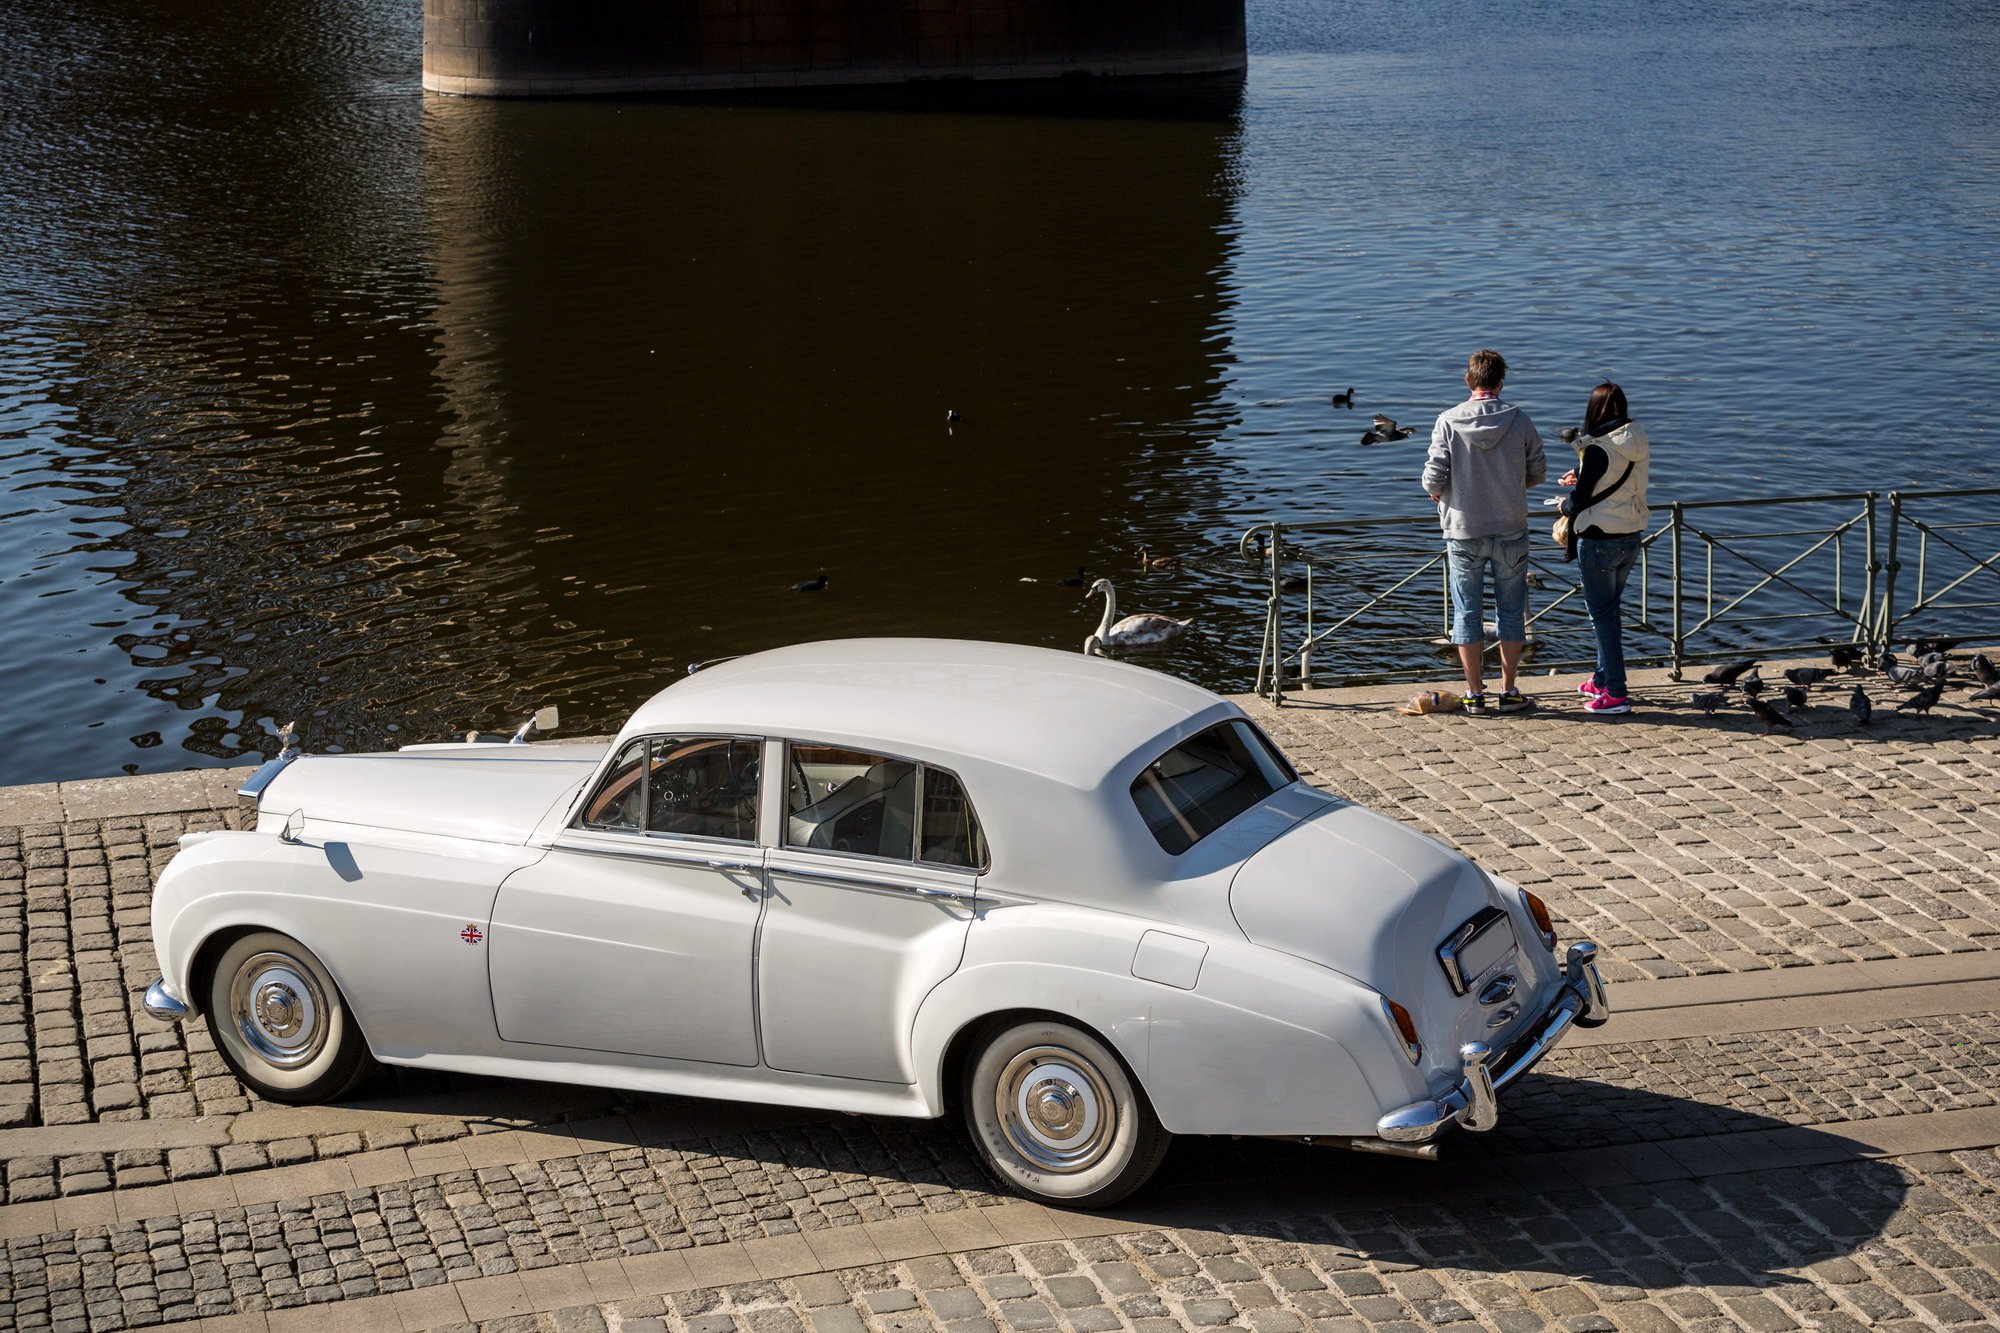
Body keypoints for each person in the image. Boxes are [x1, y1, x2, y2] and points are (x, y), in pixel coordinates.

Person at [1422, 349, 1546, 715]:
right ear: (1501, 381)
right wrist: (1511, 486)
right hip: (1510, 528)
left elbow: (1432, 475)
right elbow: (1538, 470)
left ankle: (1474, 694)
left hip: (1463, 530)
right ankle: (1509, 692)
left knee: (1466, 613)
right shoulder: (1520, 420)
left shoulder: (1447, 420)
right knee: (1511, 612)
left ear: (1468, 380)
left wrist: (1439, 493)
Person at [1559, 381, 1650, 715]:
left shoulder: (1597, 447)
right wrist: (1582, 473)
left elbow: (1580, 499)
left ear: (1593, 410)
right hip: (1630, 534)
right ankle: (1601, 678)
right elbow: (1612, 473)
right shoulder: (1636, 437)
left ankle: (1616, 692)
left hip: (1599, 539)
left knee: (1603, 618)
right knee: (1610, 612)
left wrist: (1565, 507)